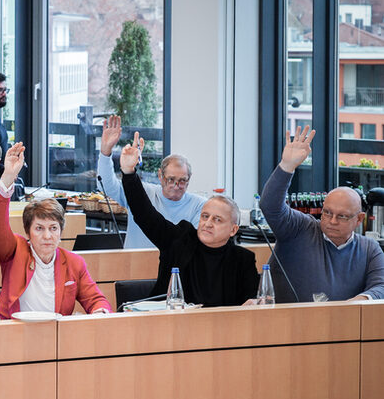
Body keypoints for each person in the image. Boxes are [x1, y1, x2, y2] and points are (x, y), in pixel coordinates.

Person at [119, 135, 258, 307]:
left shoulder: (242, 260)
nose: (207, 223)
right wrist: (128, 173)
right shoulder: (180, 241)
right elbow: (145, 215)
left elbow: (249, 306)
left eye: (217, 219)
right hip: (171, 326)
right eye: (205, 216)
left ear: (233, 230)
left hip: (222, 330)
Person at [259, 125, 384, 302]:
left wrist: (362, 299)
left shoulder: (369, 249)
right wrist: (286, 166)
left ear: (359, 219)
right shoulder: (299, 229)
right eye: (327, 213)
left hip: (342, 326)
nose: (332, 221)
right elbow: (270, 206)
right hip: (287, 324)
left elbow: (381, 285)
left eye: (342, 216)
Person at [0, 143, 111, 317]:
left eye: (53, 228)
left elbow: (96, 299)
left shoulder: (74, 263)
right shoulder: (14, 252)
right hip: (13, 335)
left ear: (61, 231)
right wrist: (8, 176)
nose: (47, 236)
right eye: (39, 228)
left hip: (56, 338)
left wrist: (100, 311)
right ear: (28, 231)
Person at [97, 115, 206, 249]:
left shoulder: (199, 205)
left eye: (182, 181)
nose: (176, 186)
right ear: (160, 175)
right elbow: (106, 185)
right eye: (170, 179)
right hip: (135, 265)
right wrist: (105, 151)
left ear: (189, 179)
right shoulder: (141, 193)